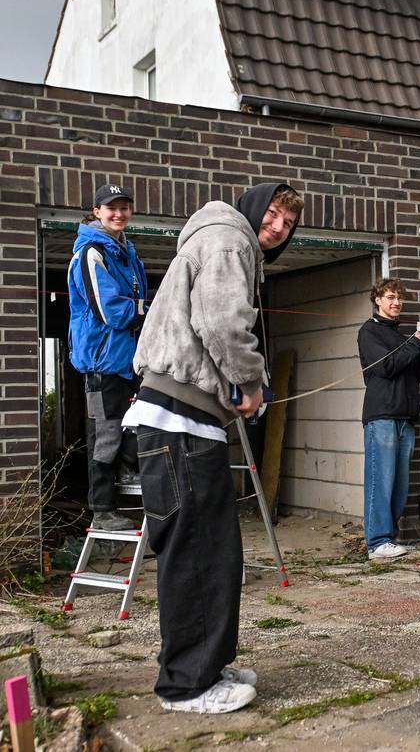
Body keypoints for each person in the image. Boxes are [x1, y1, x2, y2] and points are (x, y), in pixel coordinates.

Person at [123, 182, 302, 713]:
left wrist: (239, 388)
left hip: (188, 421)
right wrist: (251, 384)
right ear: (254, 209)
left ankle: (207, 665)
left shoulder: (221, 238)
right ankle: (187, 685)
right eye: (273, 215)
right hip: (178, 422)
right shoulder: (230, 238)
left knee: (214, 553)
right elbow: (223, 321)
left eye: (288, 225)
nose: (278, 228)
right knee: (198, 556)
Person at [67, 183, 148, 532]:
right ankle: (102, 510)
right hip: (102, 364)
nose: (119, 213)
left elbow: (136, 302)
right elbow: (111, 311)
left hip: (127, 361)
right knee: (107, 434)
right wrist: (151, 309)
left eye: (124, 207)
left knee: (137, 422)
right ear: (96, 211)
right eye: (111, 207)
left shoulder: (126, 252)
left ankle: (127, 470)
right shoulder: (91, 253)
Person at [357, 278, 420, 560]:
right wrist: (415, 342)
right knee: (381, 479)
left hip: (405, 416)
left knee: (399, 483)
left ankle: (389, 538)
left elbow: (416, 373)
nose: (396, 303)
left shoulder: (401, 336)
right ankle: (376, 542)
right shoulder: (369, 332)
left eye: (399, 298)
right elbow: (387, 367)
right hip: (382, 415)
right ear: (377, 300)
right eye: (390, 297)